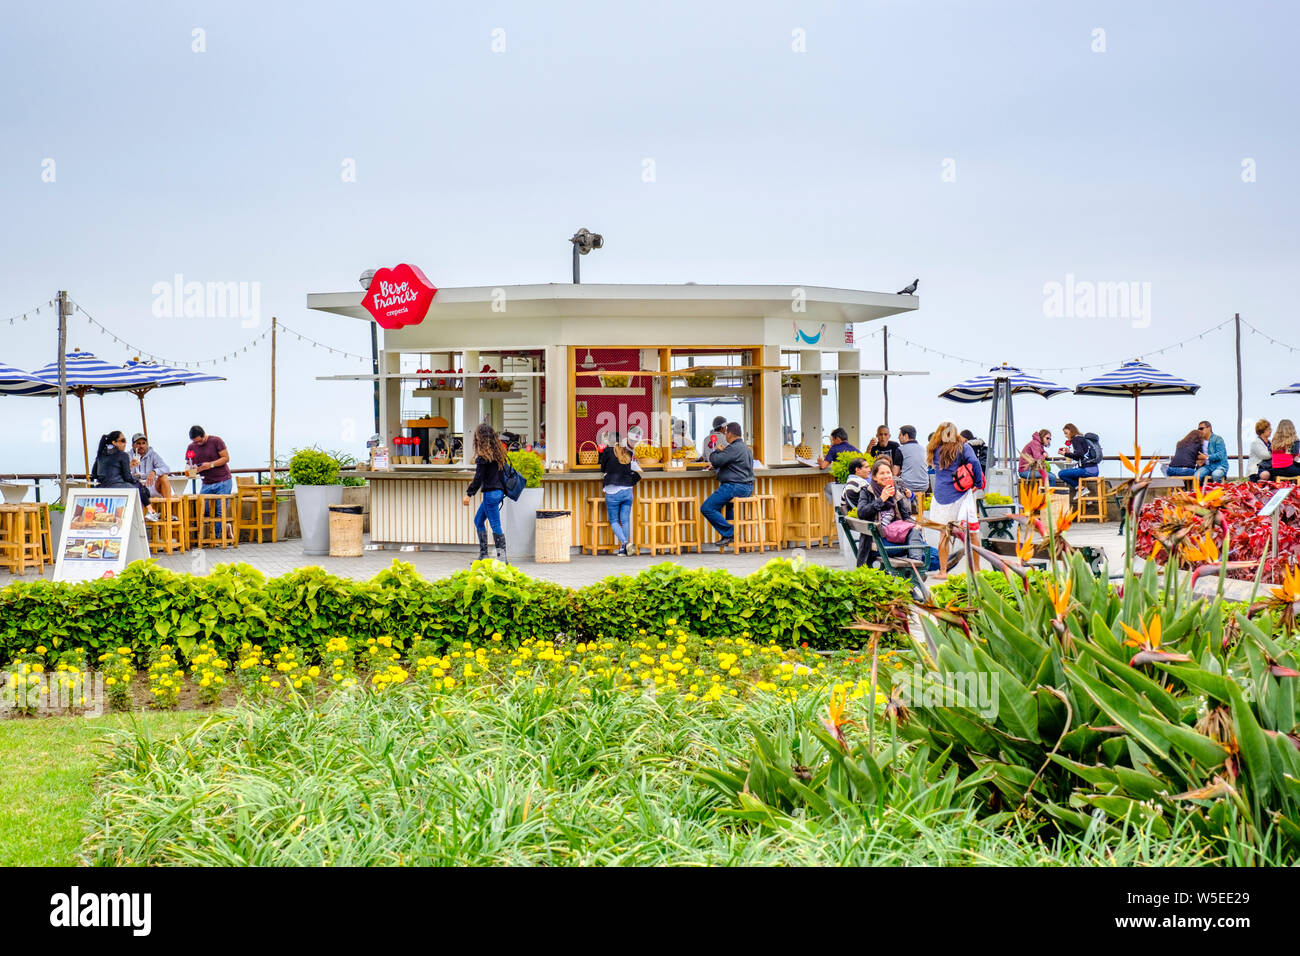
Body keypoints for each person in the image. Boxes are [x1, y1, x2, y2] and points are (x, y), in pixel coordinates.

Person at [928, 421, 983, 578]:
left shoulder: (933, 448)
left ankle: (943, 571)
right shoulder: (963, 447)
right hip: (960, 496)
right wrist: (978, 483)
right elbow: (974, 462)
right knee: (972, 533)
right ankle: (977, 570)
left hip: (940, 497)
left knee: (944, 535)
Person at [855, 458, 926, 575]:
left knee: (917, 538)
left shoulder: (895, 492)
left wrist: (915, 524)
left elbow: (905, 516)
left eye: (888, 473)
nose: (886, 476)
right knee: (925, 550)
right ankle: (915, 574)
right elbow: (862, 513)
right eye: (882, 473)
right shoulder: (867, 491)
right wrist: (881, 499)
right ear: (874, 477)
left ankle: (914, 574)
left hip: (896, 536)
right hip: (878, 542)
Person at [701, 421, 754, 550]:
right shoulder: (746, 449)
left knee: (707, 508)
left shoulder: (733, 448)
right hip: (747, 488)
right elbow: (731, 463)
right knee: (728, 507)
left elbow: (716, 459)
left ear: (730, 433)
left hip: (734, 486)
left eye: (726, 434)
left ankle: (730, 533)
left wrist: (716, 451)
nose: (725, 436)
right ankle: (731, 536)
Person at [462, 422, 509, 562]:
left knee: (495, 524)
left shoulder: (483, 457)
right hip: (498, 492)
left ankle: (502, 559)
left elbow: (478, 478)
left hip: (490, 494)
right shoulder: (499, 453)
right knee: (478, 520)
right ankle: (484, 555)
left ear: (480, 438)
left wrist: (468, 494)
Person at [186, 425, 233, 537]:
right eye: (195, 442)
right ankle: (225, 527)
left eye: (200, 441)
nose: (198, 444)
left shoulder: (216, 441)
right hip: (206, 482)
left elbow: (226, 458)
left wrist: (210, 465)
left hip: (223, 480)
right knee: (204, 509)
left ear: (204, 435)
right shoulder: (191, 447)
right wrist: (189, 470)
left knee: (219, 511)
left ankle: (216, 537)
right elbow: (189, 462)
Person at [598, 431, 640, 556]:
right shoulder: (628, 452)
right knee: (625, 520)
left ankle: (625, 543)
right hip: (627, 490)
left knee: (614, 521)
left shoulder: (607, 452)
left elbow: (602, 468)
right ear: (621, 441)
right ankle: (624, 550)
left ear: (608, 441)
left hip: (613, 491)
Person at [92, 430, 154, 515]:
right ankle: (150, 512)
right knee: (140, 487)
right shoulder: (123, 455)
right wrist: (137, 477)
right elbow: (127, 478)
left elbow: (94, 474)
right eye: (123, 441)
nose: (125, 443)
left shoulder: (100, 455)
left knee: (139, 486)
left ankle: (150, 512)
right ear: (114, 442)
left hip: (102, 487)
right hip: (118, 488)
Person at [1057, 423, 1101, 495]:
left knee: (1061, 474)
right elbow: (1081, 457)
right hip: (1094, 470)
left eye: (1066, 433)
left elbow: (1079, 455)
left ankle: (1081, 489)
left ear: (1071, 431)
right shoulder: (1082, 438)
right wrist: (1069, 452)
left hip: (1087, 470)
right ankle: (1086, 499)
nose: (1066, 436)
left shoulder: (1076, 439)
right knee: (1073, 475)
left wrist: (1065, 454)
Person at [130, 433, 173, 501]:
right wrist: (132, 472)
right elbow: (123, 473)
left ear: (146, 444)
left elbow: (166, 468)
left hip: (151, 484)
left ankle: (168, 508)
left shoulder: (153, 455)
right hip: (136, 486)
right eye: (138, 443)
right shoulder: (127, 456)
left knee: (164, 477)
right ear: (133, 445)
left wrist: (154, 472)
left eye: (143, 443)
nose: (141, 446)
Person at [896, 425, 931, 495]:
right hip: (924, 486)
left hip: (908, 486)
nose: (898, 437)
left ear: (905, 436)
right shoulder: (924, 449)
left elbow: (895, 473)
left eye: (900, 435)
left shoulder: (901, 449)